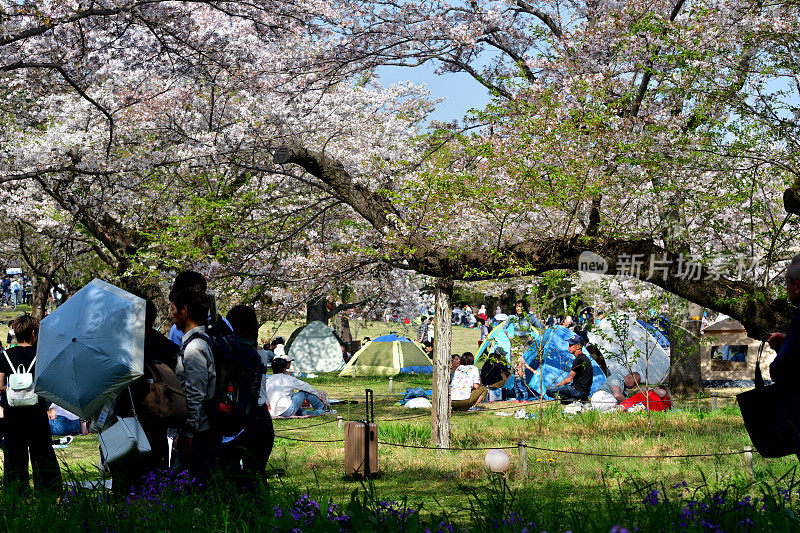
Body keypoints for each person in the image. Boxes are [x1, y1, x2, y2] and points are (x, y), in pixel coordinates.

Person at [0, 315, 62, 494]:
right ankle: (49, 493)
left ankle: (17, 493)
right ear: (33, 333)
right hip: (36, 412)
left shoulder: (5, 355)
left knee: (14, 455)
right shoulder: (40, 355)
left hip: (13, 414)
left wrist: (13, 389)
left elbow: (0, 385)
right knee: (42, 454)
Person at [219, 304, 274, 492]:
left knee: (242, 479)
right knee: (256, 475)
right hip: (261, 419)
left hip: (243, 421)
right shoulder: (258, 353)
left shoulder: (233, 352)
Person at [171, 276, 217, 481]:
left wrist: (188, 433)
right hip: (198, 430)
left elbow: (195, 394)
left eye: (173, 309)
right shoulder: (198, 343)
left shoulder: (194, 348)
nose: (171, 315)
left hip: (200, 433)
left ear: (185, 311)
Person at [768, 254, 800, 383]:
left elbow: (780, 371)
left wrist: (781, 349)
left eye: (787, 281)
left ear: (797, 286)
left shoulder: (798, 322)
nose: (786, 287)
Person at [264, 357, 329, 417]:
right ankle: (322, 407)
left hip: (274, 411)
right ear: (284, 368)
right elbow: (306, 386)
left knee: (291, 399)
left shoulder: (268, 380)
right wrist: (318, 395)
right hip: (288, 410)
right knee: (304, 392)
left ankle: (304, 413)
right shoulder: (288, 378)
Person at [546, 335, 593, 402]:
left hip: (578, 390)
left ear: (578, 346)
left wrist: (557, 386)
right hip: (585, 391)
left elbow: (568, 380)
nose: (568, 347)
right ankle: (574, 399)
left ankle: (571, 399)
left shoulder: (579, 359)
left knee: (550, 391)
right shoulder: (585, 358)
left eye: (571, 345)